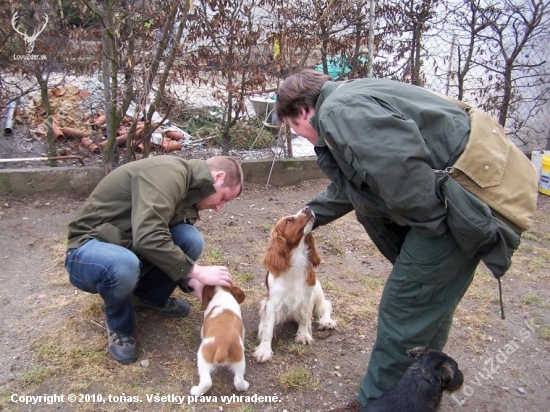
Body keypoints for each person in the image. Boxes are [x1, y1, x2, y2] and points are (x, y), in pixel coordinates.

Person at [274, 68, 532, 411]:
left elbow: (404, 172)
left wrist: (434, 233)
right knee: (427, 305)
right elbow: (357, 180)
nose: (301, 136)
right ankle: (423, 387)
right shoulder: (350, 96)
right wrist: (311, 214)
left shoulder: (338, 112)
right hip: (477, 191)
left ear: (304, 111)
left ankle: (377, 404)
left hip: (465, 203)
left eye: (294, 126)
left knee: (406, 305)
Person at [65, 155, 243, 365]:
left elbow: (161, 239)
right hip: (89, 248)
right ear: (218, 177)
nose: (219, 208)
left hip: (125, 244)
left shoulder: (189, 190)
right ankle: (119, 326)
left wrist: (190, 280)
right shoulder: (168, 174)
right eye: (223, 198)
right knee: (124, 265)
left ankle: (147, 297)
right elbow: (149, 237)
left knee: (189, 239)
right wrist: (197, 271)